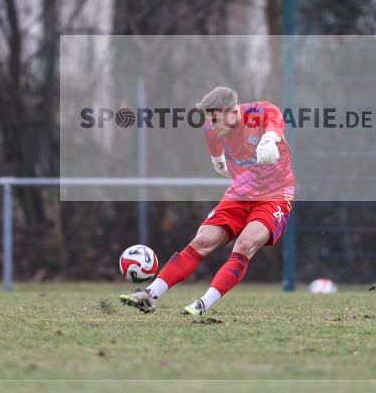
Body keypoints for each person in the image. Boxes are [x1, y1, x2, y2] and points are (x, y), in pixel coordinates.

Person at [120, 86, 294, 315]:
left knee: (245, 244)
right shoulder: (211, 129)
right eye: (209, 119)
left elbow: (275, 121)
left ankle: (203, 303)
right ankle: (150, 295)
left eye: (216, 120)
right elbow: (219, 163)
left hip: (275, 196)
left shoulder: (261, 112)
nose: (212, 125)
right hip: (239, 195)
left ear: (233, 112)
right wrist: (231, 169)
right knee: (202, 240)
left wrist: (269, 139)